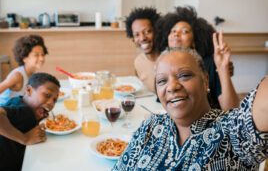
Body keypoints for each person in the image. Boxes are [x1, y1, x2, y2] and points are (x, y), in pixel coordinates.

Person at [113, 46, 268, 170]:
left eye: (184, 75)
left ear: (205, 81)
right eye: (161, 81)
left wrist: (222, 70)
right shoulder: (150, 127)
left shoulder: (232, 132)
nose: (172, 87)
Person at [0, 73, 60, 171]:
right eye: (47, 95)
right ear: (29, 90)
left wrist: (39, 116)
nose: (51, 103)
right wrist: (25, 139)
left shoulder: (18, 101)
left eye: (55, 100)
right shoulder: (24, 111)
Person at [155, 6, 238, 110]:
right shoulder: (162, 64)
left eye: (184, 31)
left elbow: (232, 109)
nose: (176, 34)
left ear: (195, 41)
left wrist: (223, 69)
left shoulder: (209, 63)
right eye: (173, 31)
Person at [0, 35, 48, 133]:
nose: (41, 58)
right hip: (0, 115)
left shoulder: (33, 74)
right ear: (24, 58)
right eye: (36, 55)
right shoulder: (17, 76)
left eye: (43, 54)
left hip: (13, 113)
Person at [125, 7, 160, 93]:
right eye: (136, 35)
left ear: (156, 31)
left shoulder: (170, 58)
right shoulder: (138, 62)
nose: (142, 38)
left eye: (147, 31)